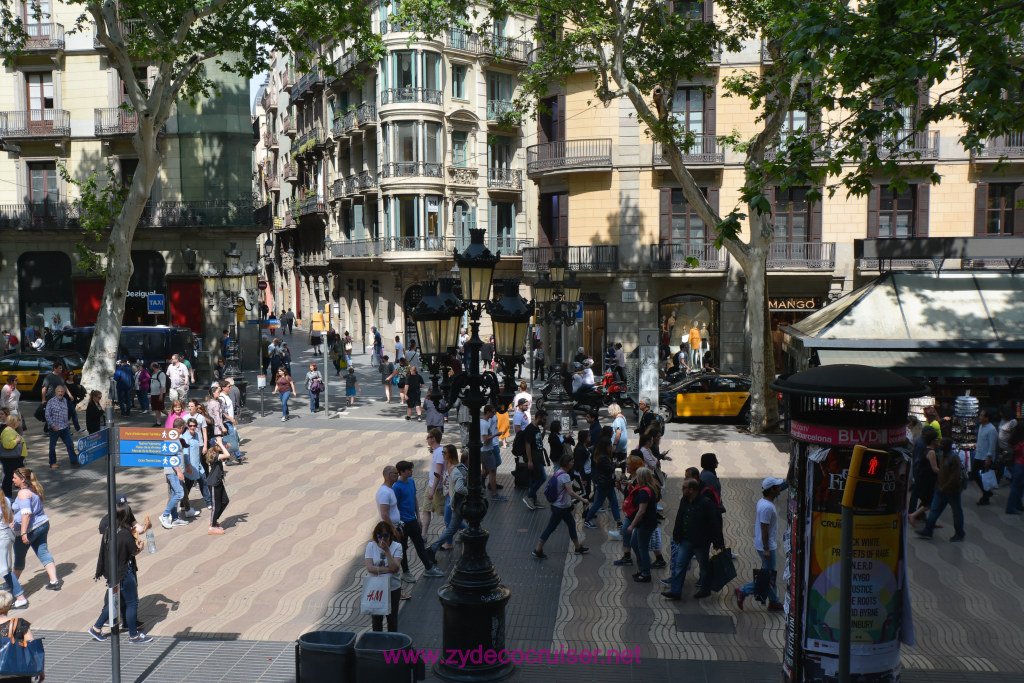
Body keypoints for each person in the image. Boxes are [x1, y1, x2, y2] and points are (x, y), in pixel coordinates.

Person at [90, 501, 153, 643]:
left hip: (113, 573)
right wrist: (140, 546)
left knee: (116, 601)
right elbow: (134, 551)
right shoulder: (125, 534)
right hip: (125, 572)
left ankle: (96, 628)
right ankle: (133, 635)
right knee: (132, 603)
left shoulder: (109, 530)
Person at [663, 477, 724, 600]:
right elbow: (679, 517)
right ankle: (675, 591)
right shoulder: (684, 500)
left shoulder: (706, 503)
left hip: (701, 543)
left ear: (692, 489)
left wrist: (718, 541)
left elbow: (714, 523)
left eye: (684, 488)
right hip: (686, 541)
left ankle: (705, 589)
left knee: (704, 566)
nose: (682, 490)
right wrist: (676, 535)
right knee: (680, 565)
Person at [735, 477, 786, 610]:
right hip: (766, 545)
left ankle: (774, 601)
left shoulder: (763, 502)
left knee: (769, 575)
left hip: (764, 544)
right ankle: (743, 591)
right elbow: (764, 529)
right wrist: (766, 548)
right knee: (768, 577)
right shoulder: (767, 508)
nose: (780, 488)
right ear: (772, 490)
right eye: (777, 487)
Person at [393, 461, 445, 581]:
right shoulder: (397, 487)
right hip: (403, 523)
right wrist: (398, 524)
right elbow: (395, 506)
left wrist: (418, 517)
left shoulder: (411, 481)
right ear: (401, 472)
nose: (411, 472)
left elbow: (415, 499)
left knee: (420, 544)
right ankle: (405, 572)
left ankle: (428, 568)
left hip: (413, 520)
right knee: (403, 548)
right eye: (409, 470)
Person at [11, 468, 61, 591]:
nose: (13, 480)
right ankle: (54, 581)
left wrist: (23, 533)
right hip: (43, 524)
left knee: (19, 556)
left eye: (15, 478)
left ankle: (12, 584)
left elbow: (26, 514)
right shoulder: (33, 489)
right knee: (43, 551)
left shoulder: (23, 493)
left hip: (30, 529)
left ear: (22, 479)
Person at [533, 453, 590, 559]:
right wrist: (583, 499)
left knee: (571, 525)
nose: (573, 463)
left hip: (561, 507)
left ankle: (578, 547)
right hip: (560, 509)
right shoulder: (565, 476)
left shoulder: (559, 472)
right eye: (571, 461)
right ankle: (538, 550)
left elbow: (567, 487)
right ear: (567, 463)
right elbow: (571, 492)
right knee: (550, 528)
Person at [915, 438, 966, 541]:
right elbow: (942, 472)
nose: (940, 445)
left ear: (948, 445)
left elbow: (954, 477)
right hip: (941, 489)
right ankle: (928, 530)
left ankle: (959, 533)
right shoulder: (943, 455)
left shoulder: (953, 458)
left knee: (956, 511)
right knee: (934, 509)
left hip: (952, 491)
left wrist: (944, 487)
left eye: (943, 444)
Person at [426, 446, 467, 566]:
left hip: (454, 500)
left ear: (451, 454)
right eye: (442, 452)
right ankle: (434, 548)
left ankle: (435, 548)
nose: (442, 454)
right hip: (453, 500)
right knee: (451, 525)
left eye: (445, 452)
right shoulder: (448, 466)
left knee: (451, 525)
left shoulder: (455, 468)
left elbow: (458, 486)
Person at [624, 467, 661, 583]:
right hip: (644, 523)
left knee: (642, 548)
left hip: (645, 524)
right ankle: (642, 568)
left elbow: (641, 511)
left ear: (641, 478)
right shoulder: (647, 488)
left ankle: (646, 573)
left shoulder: (645, 491)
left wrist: (632, 526)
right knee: (634, 544)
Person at [364, 521, 402, 632]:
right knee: (376, 620)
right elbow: (369, 568)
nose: (382, 539)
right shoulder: (371, 546)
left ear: (390, 535)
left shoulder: (397, 547)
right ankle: (378, 645)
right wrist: (388, 570)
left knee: (392, 620)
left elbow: (395, 568)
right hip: (376, 588)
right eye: (379, 536)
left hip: (392, 588)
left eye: (385, 536)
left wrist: (387, 551)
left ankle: (392, 646)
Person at [582, 438, 622, 538]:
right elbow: (609, 469)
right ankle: (587, 520)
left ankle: (619, 522)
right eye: (610, 445)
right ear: (606, 447)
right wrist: (615, 464)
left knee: (614, 503)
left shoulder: (604, 456)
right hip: (604, 484)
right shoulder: (603, 457)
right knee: (599, 503)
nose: (612, 447)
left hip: (607, 483)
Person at [158, 418, 190, 531]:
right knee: (180, 493)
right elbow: (171, 457)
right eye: (184, 428)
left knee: (173, 494)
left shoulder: (173, 437)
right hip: (173, 472)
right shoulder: (172, 438)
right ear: (181, 427)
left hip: (173, 472)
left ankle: (175, 519)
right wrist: (179, 472)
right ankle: (165, 515)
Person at [179, 417, 212, 520]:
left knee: (203, 481)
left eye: (194, 426)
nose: (192, 427)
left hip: (198, 464)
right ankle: (183, 504)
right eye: (190, 426)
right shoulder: (185, 437)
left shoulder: (197, 435)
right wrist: (188, 465)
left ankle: (209, 502)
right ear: (187, 426)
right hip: (191, 466)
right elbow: (185, 454)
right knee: (188, 486)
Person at [0, 498, 28, 611]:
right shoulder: (5, 499)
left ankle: (20, 598)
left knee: (5, 570)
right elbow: (10, 518)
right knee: (6, 568)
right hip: (7, 534)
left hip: (1, 537)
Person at [909, 429, 940, 526]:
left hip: (925, 479)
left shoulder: (927, 449)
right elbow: (935, 468)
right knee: (930, 501)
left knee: (928, 501)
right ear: (932, 440)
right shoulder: (931, 452)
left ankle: (919, 516)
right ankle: (914, 515)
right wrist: (946, 474)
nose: (938, 441)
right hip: (928, 480)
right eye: (937, 439)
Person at [521, 409, 549, 511]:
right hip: (534, 457)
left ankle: (534, 500)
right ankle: (529, 496)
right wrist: (530, 460)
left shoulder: (537, 428)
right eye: (544, 420)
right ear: (539, 418)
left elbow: (539, 440)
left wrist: (544, 430)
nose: (545, 421)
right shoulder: (530, 429)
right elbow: (527, 445)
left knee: (534, 479)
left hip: (538, 456)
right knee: (542, 477)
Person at [45, 384, 77, 469]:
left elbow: (66, 413)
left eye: (62, 391)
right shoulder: (51, 401)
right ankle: (52, 463)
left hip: (64, 427)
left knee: (70, 444)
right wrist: (52, 425)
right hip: (55, 428)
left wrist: (67, 423)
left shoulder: (65, 400)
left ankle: (74, 460)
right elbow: (47, 415)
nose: (60, 393)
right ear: (55, 392)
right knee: (52, 446)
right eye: (59, 391)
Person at [420, 429, 446, 534]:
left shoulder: (440, 452)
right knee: (426, 509)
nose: (426, 439)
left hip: (437, 488)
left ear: (433, 439)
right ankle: (423, 534)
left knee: (444, 513)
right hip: (431, 486)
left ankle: (459, 530)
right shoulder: (436, 451)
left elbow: (438, 474)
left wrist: (432, 490)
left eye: (428, 437)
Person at [974, 409, 998, 505]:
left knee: (985, 477)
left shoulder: (992, 429)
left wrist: (989, 458)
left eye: (982, 415)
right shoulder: (981, 427)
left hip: (985, 457)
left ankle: (985, 497)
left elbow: (992, 445)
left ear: (987, 418)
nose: (980, 417)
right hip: (978, 455)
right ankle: (987, 493)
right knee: (975, 475)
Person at [206, 442, 231, 535]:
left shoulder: (218, 453)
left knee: (225, 501)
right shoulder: (214, 455)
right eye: (220, 446)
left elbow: (229, 446)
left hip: (218, 482)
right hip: (213, 483)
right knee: (216, 505)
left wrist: (221, 442)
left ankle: (213, 520)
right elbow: (227, 454)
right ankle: (212, 526)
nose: (222, 446)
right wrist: (220, 443)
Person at [1, 416, 27, 498]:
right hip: (11, 459)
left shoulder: (10, 430)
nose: (19, 422)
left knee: (14, 475)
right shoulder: (8, 432)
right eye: (18, 420)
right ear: (14, 422)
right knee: (10, 476)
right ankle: (6, 496)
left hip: (14, 458)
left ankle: (8, 495)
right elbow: (7, 444)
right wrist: (17, 441)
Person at [1005, 422, 1024, 515]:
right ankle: (1012, 507)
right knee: (1017, 486)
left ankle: (1017, 504)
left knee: (1018, 486)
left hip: (1016, 463)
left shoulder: (1014, 439)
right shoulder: (1021, 441)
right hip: (1020, 464)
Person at [609, 403, 628, 467]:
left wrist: (614, 445)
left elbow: (618, 432)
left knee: (614, 461)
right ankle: (623, 474)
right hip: (623, 444)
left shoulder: (617, 420)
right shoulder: (623, 417)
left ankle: (612, 474)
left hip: (618, 445)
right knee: (623, 460)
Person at [149, 362, 168, 426]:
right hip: (153, 394)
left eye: (151, 366)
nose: (150, 367)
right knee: (156, 408)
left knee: (161, 408)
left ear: (154, 367)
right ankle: (158, 422)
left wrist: (161, 395)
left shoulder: (161, 374)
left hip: (159, 393)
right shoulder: (153, 374)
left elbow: (163, 385)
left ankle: (170, 416)